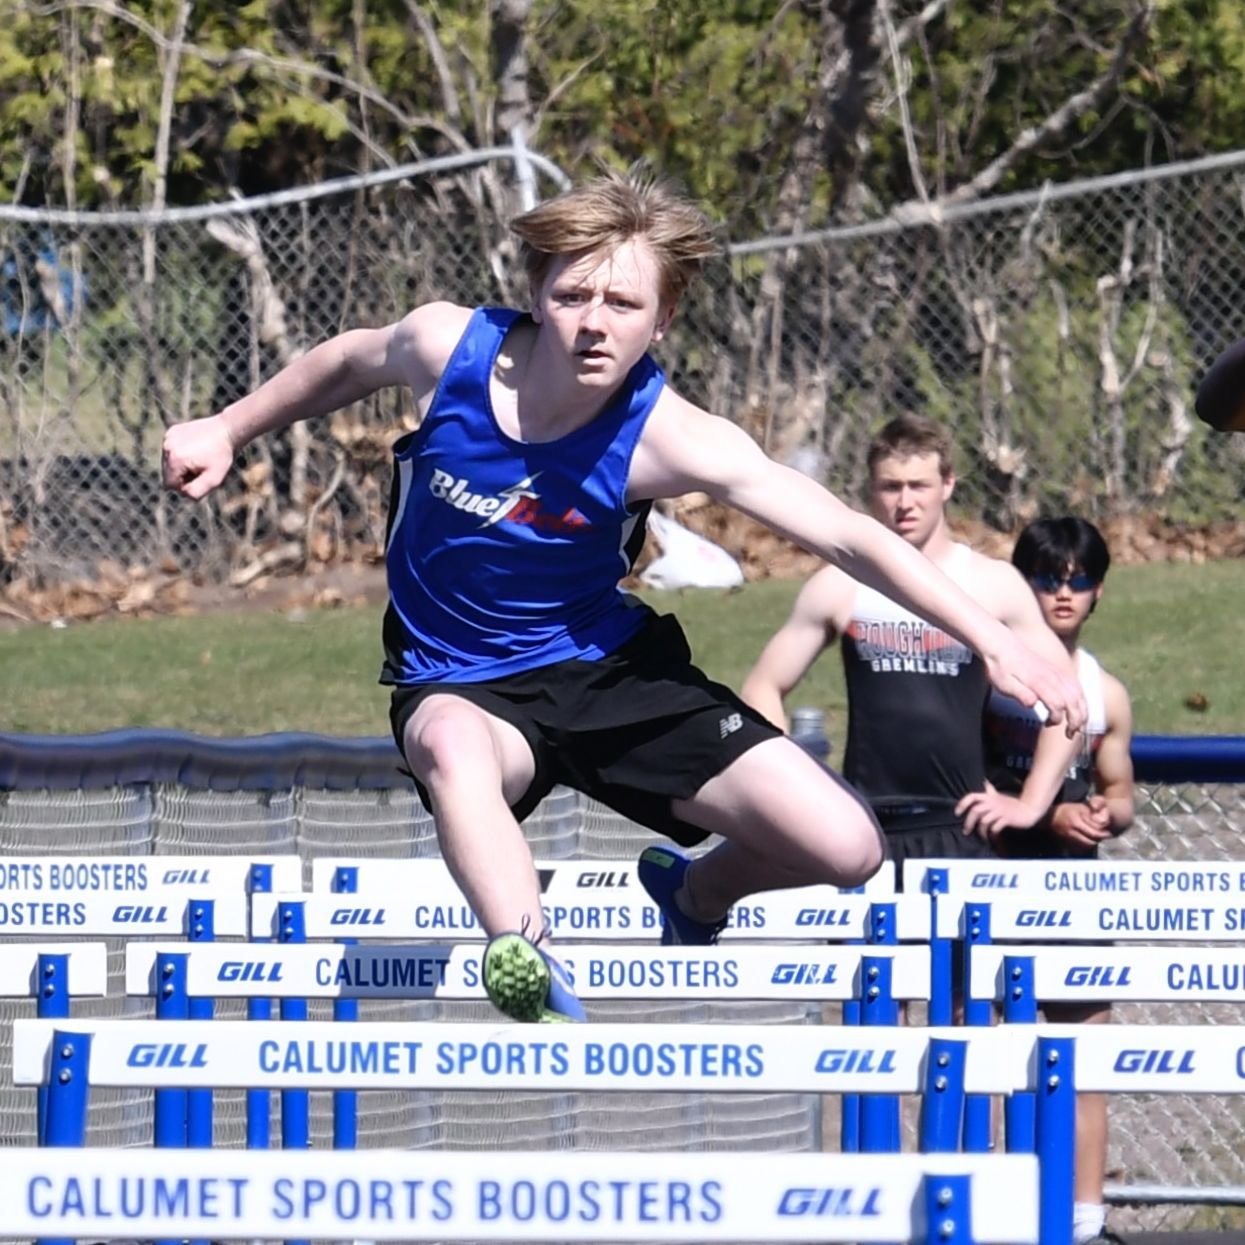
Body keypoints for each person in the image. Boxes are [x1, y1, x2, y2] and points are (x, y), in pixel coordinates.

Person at [162, 171, 1083, 1026]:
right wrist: (227, 426)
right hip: (461, 681)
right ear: (536, 294)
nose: (593, 323)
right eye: (572, 296)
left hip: (608, 673)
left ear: (663, 316)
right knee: (448, 745)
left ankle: (692, 893)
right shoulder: (448, 349)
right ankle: (524, 954)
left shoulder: (673, 438)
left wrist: (991, 640)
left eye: (622, 302)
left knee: (847, 847)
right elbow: (346, 362)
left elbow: (846, 532)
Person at [741, 414, 1083, 882]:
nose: (905, 503)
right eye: (891, 487)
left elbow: (1071, 702)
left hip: (962, 825)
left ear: (947, 484)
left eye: (919, 486)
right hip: (864, 829)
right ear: (871, 491)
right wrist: (793, 789)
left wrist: (1029, 804)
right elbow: (763, 685)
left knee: (960, 958)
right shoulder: (841, 585)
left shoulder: (991, 584)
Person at [984, 516, 1134, 1245]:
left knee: (1081, 1061)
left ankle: (1084, 1218)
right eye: (1047, 578)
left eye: (1077, 578)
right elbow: (967, 781)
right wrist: (1047, 815)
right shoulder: (989, 677)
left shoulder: (1105, 690)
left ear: (1098, 589)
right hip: (996, 881)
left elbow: (1121, 788)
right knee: (982, 1055)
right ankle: (982, 1205)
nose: (1062, 592)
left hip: (1076, 893)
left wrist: (1107, 811)